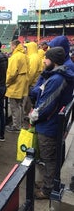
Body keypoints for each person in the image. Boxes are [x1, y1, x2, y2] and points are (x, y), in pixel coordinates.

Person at [28, 47, 74, 199]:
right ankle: (49, 184)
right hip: (51, 124)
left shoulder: (56, 79)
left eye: (46, 58)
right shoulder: (57, 75)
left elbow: (46, 105)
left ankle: (47, 190)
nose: (44, 60)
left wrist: (33, 116)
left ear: (53, 61)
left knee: (49, 159)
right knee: (50, 158)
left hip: (49, 126)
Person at [5, 40, 29, 133]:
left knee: (14, 107)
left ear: (14, 46)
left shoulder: (15, 57)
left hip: (16, 85)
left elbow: (11, 73)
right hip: (23, 84)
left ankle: (16, 126)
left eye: (11, 46)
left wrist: (6, 83)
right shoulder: (24, 55)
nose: (10, 47)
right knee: (20, 106)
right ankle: (20, 124)